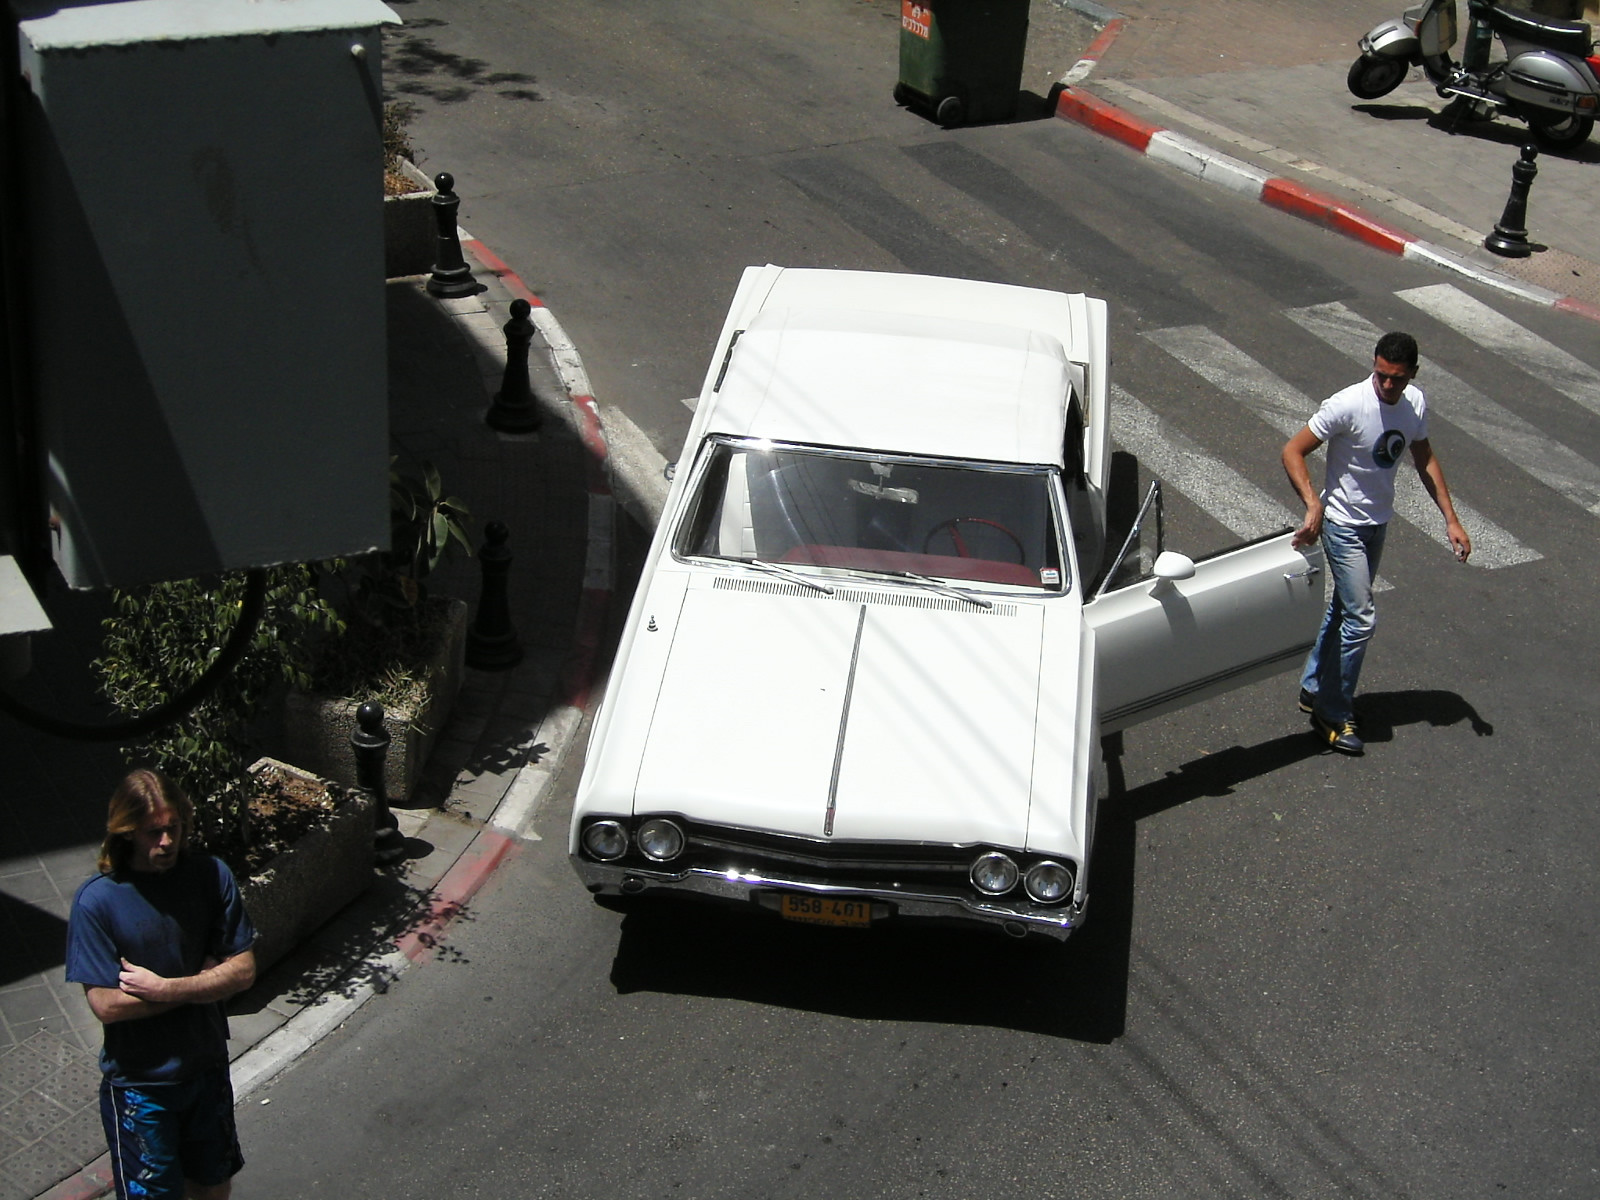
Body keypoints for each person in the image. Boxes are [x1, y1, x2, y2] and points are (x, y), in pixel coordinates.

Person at [65, 768, 257, 1200]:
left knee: (214, 1185)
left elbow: (243, 971)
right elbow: (107, 1004)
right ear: (128, 831)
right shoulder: (97, 901)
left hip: (206, 1069)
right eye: (154, 832)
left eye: (174, 828)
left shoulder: (210, 876)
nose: (167, 841)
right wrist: (205, 984)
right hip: (141, 1087)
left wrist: (162, 989)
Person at [1281, 331, 1471, 755]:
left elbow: (1424, 457)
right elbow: (1293, 451)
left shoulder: (1414, 403)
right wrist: (1313, 505)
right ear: (1373, 363)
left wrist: (1451, 520)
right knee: (1361, 618)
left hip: (1377, 524)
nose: (1387, 385)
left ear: (1413, 374)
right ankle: (1331, 712)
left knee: (1344, 608)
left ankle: (1314, 686)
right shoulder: (1348, 404)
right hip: (1342, 525)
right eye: (1381, 374)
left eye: (1397, 378)